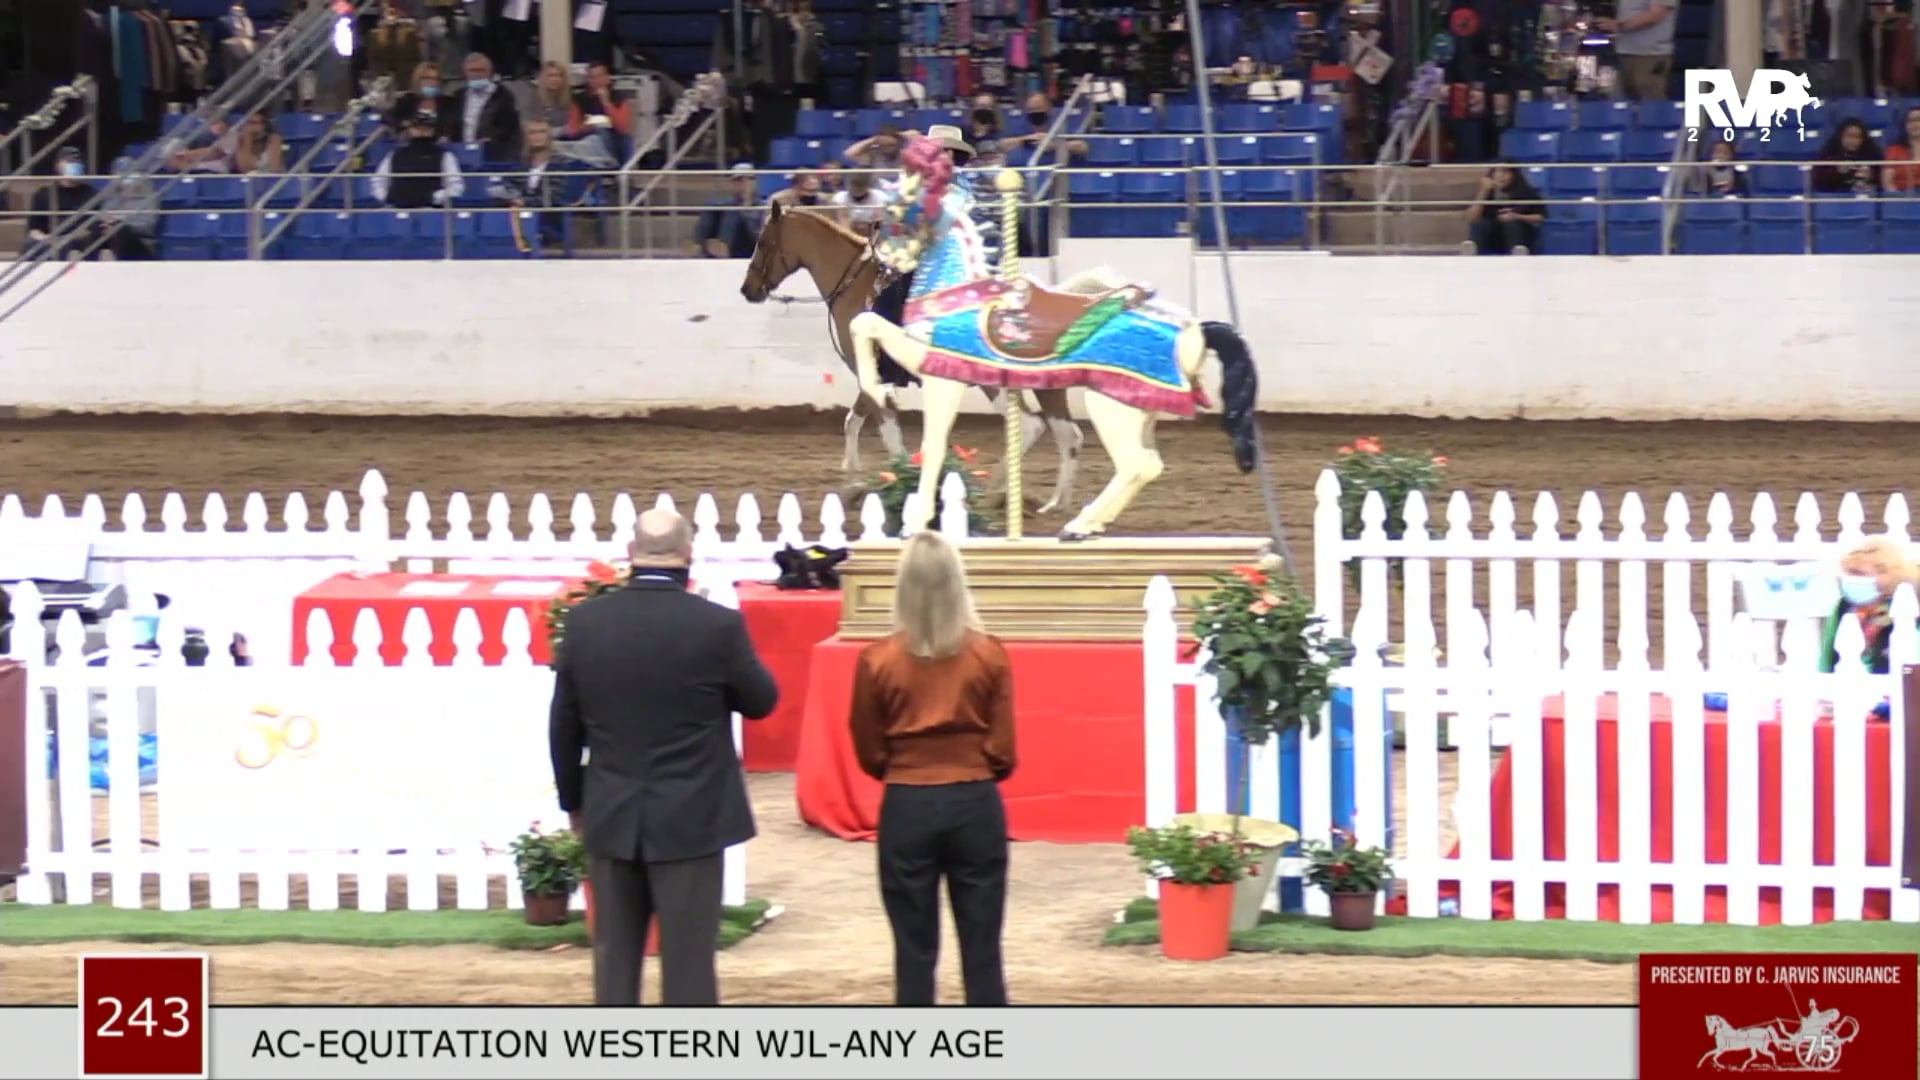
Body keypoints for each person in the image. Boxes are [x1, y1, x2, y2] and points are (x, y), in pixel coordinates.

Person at [549, 507, 778, 1006]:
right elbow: (762, 701)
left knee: (613, 966)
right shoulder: (716, 627)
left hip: (612, 811)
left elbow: (564, 725)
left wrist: (574, 803)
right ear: (687, 555)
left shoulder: (586, 623)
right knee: (690, 970)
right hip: (692, 819)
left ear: (630, 555)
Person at [849, 531, 1015, 1006]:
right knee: (983, 947)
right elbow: (1003, 748)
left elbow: (868, 746)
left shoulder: (876, 660)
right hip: (975, 800)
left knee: (914, 949)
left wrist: (903, 769)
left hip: (907, 802)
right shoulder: (989, 654)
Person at [1819, 535, 1920, 675]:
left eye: (1858, 573)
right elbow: (1826, 658)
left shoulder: (1909, 609)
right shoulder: (1843, 607)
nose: (1851, 579)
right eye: (1848, 572)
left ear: (1887, 574)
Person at [372, 112, 466, 208]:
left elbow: (456, 187)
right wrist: (390, 197)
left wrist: (434, 197)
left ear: (433, 130)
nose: (421, 132)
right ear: (410, 130)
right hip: (396, 209)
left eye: (426, 128)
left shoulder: (445, 156)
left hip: (431, 211)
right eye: (417, 128)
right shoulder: (395, 155)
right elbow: (378, 181)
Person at [441, 52, 521, 162]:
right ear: (465, 73)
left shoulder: (503, 96)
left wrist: (491, 139)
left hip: (491, 155)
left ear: (490, 72)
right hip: (461, 154)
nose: (476, 74)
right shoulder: (458, 96)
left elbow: (509, 128)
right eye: (472, 71)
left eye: (481, 70)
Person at [1598, 2, 1675, 101]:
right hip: (1624, 54)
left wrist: (1619, 26)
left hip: (1650, 56)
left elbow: (1656, 14)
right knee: (1617, 102)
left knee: (1651, 102)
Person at [1462, 164, 1545, 255]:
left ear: (1514, 174)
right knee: (1480, 223)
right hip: (1491, 235)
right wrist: (1483, 191)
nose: (1500, 175)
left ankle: (1518, 251)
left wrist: (1518, 217)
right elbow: (1470, 218)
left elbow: (1540, 217)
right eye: (1497, 171)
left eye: (1505, 172)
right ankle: (1472, 250)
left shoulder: (1525, 191)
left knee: (1512, 225)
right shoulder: (1486, 192)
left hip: (1517, 232)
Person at [1812, 120, 1883, 194]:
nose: (1853, 141)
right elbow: (1817, 182)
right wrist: (1837, 172)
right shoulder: (1828, 156)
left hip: (1864, 200)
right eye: (1849, 136)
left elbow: (1882, 183)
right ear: (1840, 137)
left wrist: (1872, 175)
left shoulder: (1873, 156)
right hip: (1835, 200)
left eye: (1857, 137)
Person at [392, 61, 444, 132]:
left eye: (436, 78)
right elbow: (396, 127)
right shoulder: (405, 103)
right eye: (427, 78)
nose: (432, 82)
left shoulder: (448, 105)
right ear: (417, 80)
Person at [1883, 107, 1920, 193]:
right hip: (1902, 200)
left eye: (1919, 120)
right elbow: (1887, 182)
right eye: (1910, 121)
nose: (1915, 124)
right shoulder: (1894, 150)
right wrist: (1900, 200)